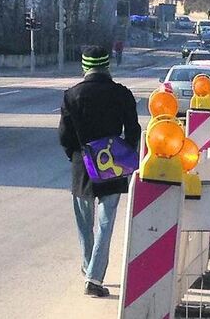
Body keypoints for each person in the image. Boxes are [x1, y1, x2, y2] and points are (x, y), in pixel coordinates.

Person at [58, 46, 141, 297]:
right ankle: (94, 277)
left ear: (85, 67)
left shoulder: (71, 96)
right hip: (112, 163)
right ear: (107, 66)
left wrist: (75, 155)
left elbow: (64, 135)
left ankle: (88, 266)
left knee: (84, 222)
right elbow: (133, 130)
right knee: (106, 223)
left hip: (82, 165)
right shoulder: (122, 94)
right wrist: (124, 155)